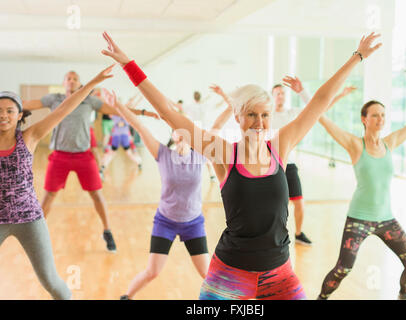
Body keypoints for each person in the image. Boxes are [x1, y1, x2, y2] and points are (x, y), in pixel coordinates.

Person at [101, 30, 382, 300]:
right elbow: (168, 112)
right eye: (251, 115)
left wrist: (358, 56)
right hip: (230, 272)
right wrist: (129, 65)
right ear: (237, 116)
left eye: (265, 115)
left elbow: (320, 101)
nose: (259, 123)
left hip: (280, 272)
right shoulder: (223, 152)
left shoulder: (280, 146)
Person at [315, 84, 406, 299]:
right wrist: (337, 95)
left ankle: (403, 295)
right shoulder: (355, 145)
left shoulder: (390, 143)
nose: (381, 119)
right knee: (343, 269)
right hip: (359, 219)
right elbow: (321, 117)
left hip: (386, 220)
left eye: (383, 115)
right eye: (375, 115)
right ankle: (321, 298)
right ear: (364, 119)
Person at [0, 64, 114, 299]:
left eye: (9, 111)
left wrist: (91, 84)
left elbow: (64, 109)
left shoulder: (29, 136)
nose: (3, 115)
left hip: (30, 219)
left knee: (51, 281)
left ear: (19, 115)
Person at [105, 89, 232, 300]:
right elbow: (139, 125)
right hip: (165, 221)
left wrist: (231, 104)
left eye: (185, 128)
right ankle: (126, 297)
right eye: (176, 128)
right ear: (173, 134)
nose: (180, 132)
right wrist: (118, 105)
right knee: (153, 272)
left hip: (193, 223)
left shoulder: (200, 154)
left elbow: (217, 126)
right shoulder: (161, 153)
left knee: (206, 273)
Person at [22, 70, 158, 252]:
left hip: (83, 156)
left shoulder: (89, 100)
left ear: (80, 83)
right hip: (59, 156)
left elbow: (117, 110)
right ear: (64, 83)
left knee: (97, 195)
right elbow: (26, 104)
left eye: (75, 78)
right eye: (68, 78)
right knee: (49, 196)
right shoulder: (53, 99)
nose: (71, 81)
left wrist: (143, 112)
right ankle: (36, 234)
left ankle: (107, 231)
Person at [275, 78, 357, 245]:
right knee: (274, 205)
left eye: (283, 93)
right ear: (272, 97)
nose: (281, 96)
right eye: (277, 93)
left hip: (289, 165)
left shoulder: (292, 113)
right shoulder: (267, 116)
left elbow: (319, 107)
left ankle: (298, 234)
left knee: (299, 201)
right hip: (273, 166)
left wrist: (340, 95)